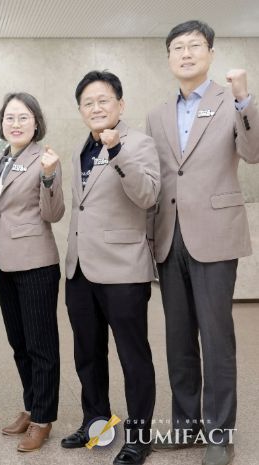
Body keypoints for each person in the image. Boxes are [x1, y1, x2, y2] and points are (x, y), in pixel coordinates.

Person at [146, 20, 259, 465]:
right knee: (178, 340)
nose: (186, 53)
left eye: (195, 45)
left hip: (214, 234)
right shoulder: (157, 114)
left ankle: (219, 433)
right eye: (178, 47)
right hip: (168, 236)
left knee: (216, 338)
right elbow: (159, 177)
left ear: (210, 53)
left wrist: (245, 98)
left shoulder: (231, 101)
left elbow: (253, 152)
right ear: (169, 58)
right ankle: (186, 426)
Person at [61, 71, 159, 465]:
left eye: (103, 100)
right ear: (80, 110)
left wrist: (117, 151)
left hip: (123, 269)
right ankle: (96, 423)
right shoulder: (79, 149)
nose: (96, 108)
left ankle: (139, 437)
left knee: (133, 357)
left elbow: (147, 195)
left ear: (121, 104)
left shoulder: (139, 143)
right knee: (88, 353)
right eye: (88, 103)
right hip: (80, 270)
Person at [0, 93, 65, 452]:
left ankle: (43, 419)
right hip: (4, 263)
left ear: (36, 123)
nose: (15, 124)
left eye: (23, 117)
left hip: (35, 263)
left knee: (40, 345)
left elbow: (53, 213)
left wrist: (48, 176)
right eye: (9, 118)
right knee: (19, 344)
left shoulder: (45, 159)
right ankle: (31, 407)